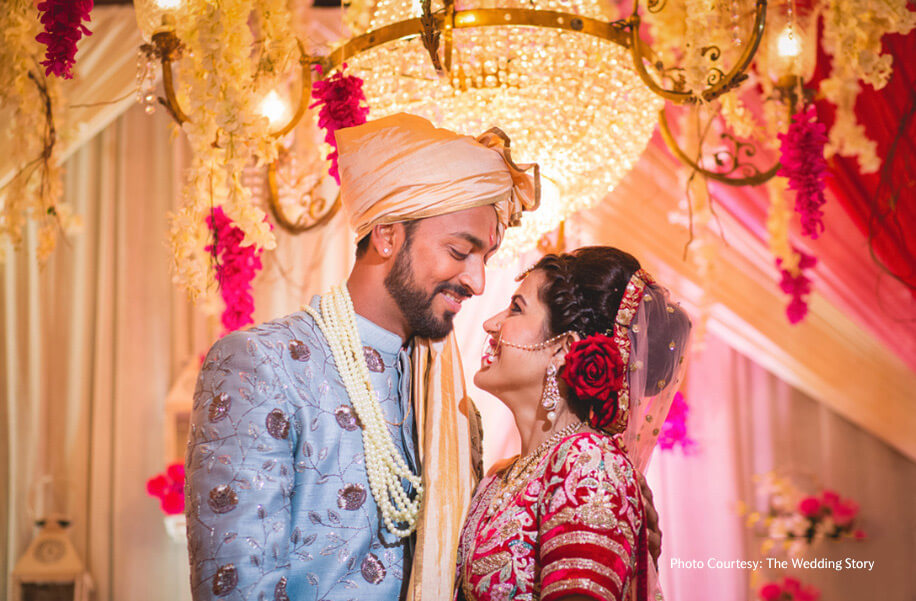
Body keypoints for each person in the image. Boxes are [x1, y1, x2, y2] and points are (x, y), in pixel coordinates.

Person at [185, 112, 539, 601]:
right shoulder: (262, 364)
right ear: (388, 234)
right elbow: (238, 590)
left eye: (487, 259)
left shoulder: (451, 406)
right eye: (460, 252)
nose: (477, 282)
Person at [457, 247, 690, 601]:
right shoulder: (499, 477)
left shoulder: (590, 463)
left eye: (516, 308)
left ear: (563, 348)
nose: (491, 323)